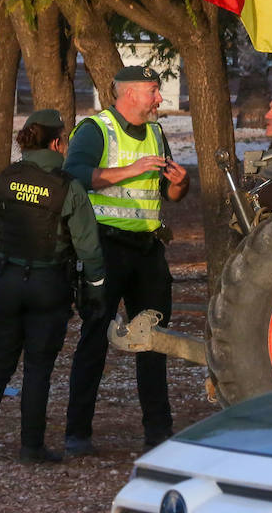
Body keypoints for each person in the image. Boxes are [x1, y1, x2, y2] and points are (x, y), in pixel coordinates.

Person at [0, 109, 105, 465]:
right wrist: (96, 290)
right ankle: (31, 447)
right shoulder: (68, 188)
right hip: (48, 287)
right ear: (56, 143)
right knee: (38, 368)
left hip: (4, 284)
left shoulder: (3, 181)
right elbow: (89, 248)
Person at [63, 65, 189, 455]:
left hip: (149, 251)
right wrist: (128, 171)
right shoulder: (96, 128)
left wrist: (180, 183)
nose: (159, 98)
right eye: (153, 90)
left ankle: (157, 431)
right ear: (129, 93)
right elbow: (74, 175)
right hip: (106, 248)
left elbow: (170, 195)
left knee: (153, 340)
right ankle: (77, 433)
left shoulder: (155, 132)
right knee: (95, 338)